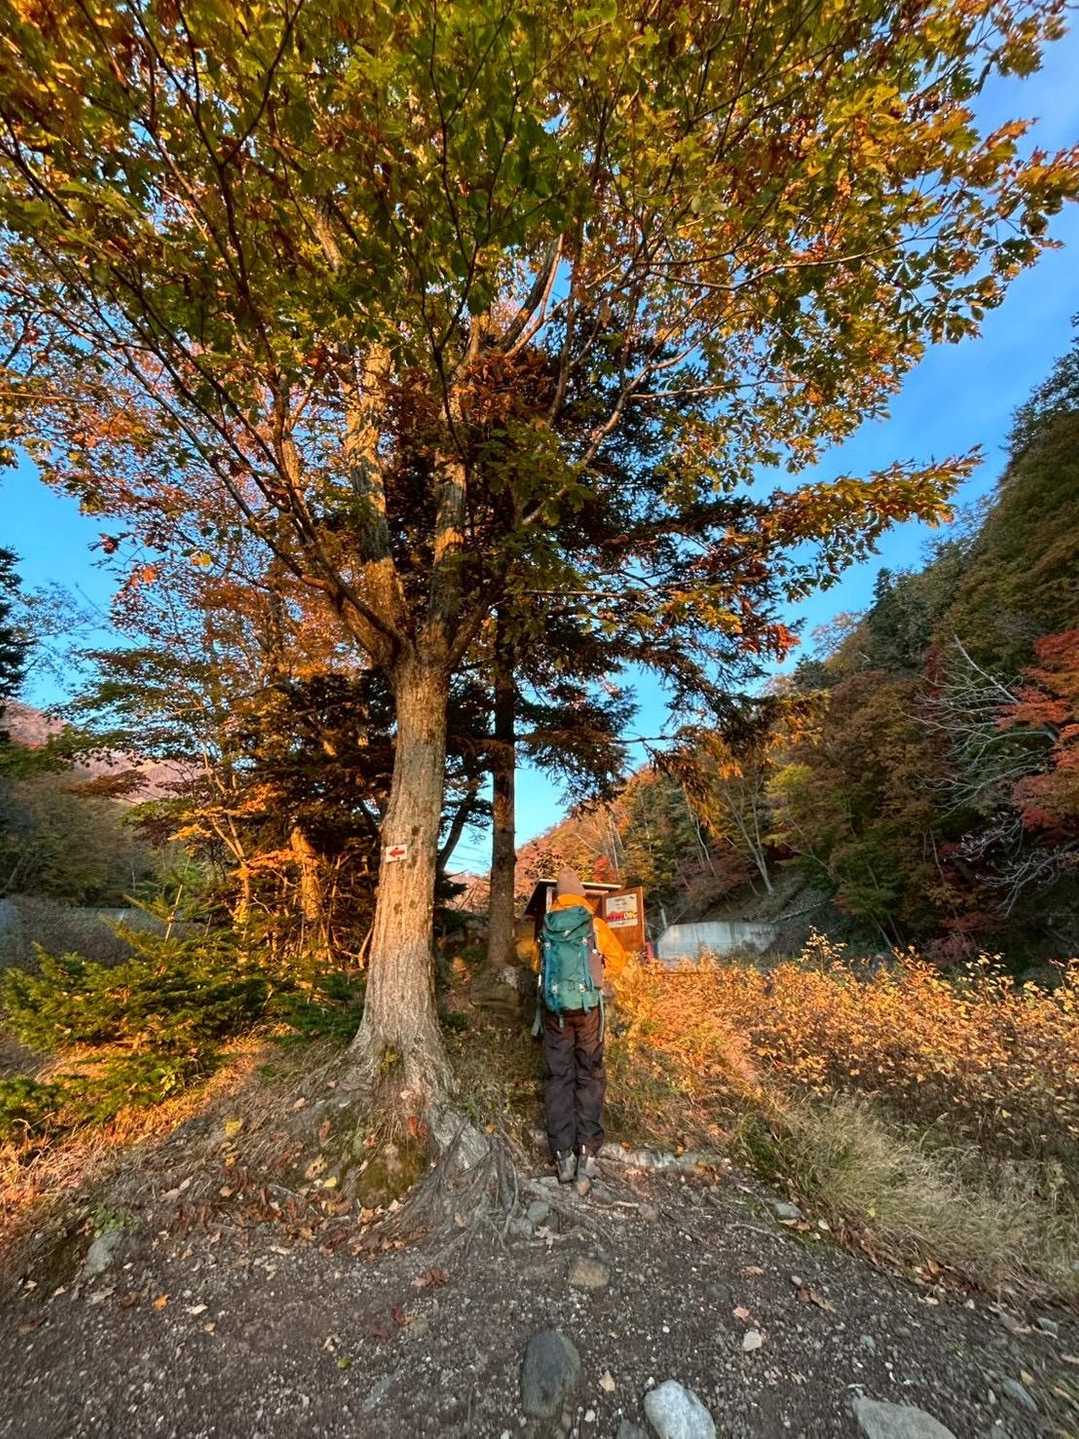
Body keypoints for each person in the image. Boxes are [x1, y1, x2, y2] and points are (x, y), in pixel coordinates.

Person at [534, 868, 627, 1193]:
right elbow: (618, 960)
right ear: (582, 895)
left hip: (555, 1013)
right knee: (590, 1074)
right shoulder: (594, 924)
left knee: (558, 1078)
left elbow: (538, 968)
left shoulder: (547, 926)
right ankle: (587, 1154)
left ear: (559, 896)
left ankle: (563, 1157)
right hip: (588, 1011)